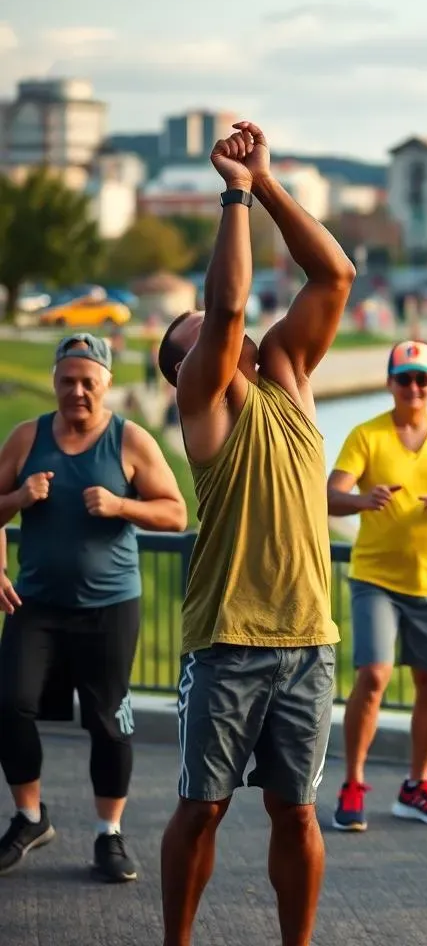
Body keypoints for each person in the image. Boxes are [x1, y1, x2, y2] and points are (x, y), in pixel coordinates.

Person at [155, 122, 355, 946]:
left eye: (207, 323)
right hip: (228, 641)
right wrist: (233, 193)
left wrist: (268, 183)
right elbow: (232, 304)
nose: (214, 330)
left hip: (308, 639)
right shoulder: (205, 404)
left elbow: (335, 272)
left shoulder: (290, 376)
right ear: (183, 367)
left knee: (296, 812)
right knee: (202, 807)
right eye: (193, 336)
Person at [0, 333, 187, 882]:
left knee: (108, 724)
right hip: (35, 605)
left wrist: (121, 505)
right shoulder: (26, 438)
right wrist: (17, 499)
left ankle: (110, 834)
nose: (77, 391)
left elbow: (176, 514)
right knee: (9, 704)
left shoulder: (131, 441)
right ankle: (30, 818)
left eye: (88, 382)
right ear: (56, 383)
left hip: (109, 607)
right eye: (67, 381)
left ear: (106, 384)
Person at [326, 340, 427, 832]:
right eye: (405, 378)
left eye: (423, 378)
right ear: (390, 383)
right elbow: (332, 495)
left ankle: (415, 785)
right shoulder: (367, 435)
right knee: (374, 676)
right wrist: (363, 500)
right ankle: (353, 783)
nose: (414, 387)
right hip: (375, 577)